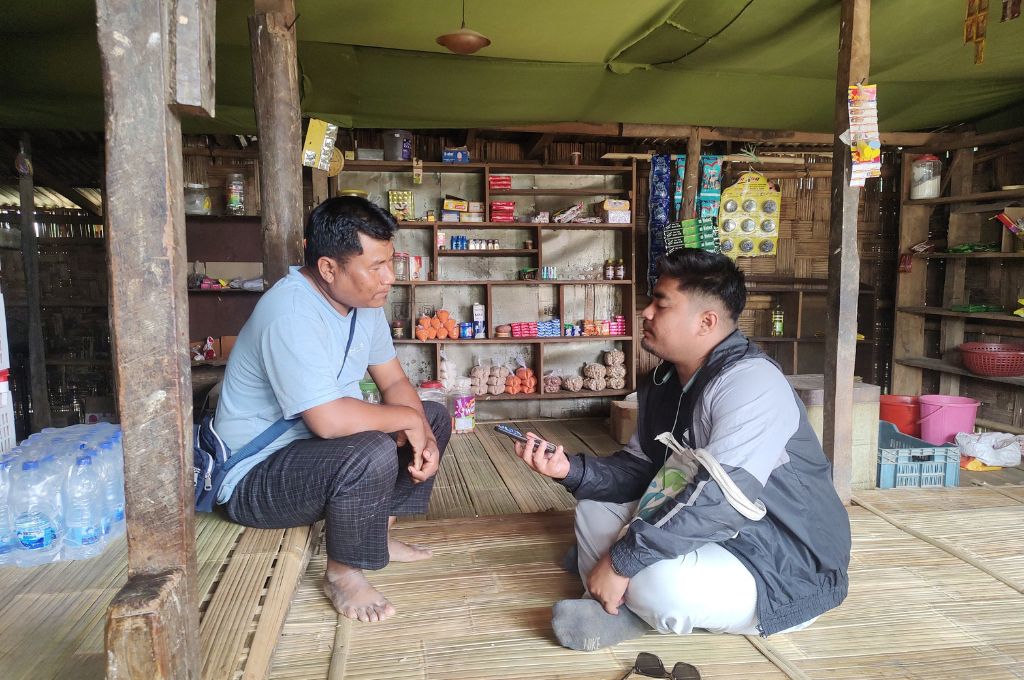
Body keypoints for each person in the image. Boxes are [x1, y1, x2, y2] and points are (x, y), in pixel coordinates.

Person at [515, 248, 851, 651]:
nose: (646, 313)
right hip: (709, 535)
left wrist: (623, 560)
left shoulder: (753, 383)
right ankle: (619, 605)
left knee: (655, 579)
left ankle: (629, 596)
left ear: (706, 321)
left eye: (661, 303)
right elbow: (642, 470)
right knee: (594, 506)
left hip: (780, 560)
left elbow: (722, 503)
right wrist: (572, 470)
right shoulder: (664, 382)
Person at [214, 196, 450, 624]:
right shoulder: (289, 312)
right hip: (254, 476)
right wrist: (406, 421)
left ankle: (375, 534)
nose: (389, 278)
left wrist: (424, 435)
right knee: (375, 448)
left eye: (390, 262)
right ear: (328, 268)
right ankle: (343, 573)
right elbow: (329, 421)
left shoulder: (364, 306)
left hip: (313, 456)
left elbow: (394, 382)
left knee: (431, 415)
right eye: (375, 266)